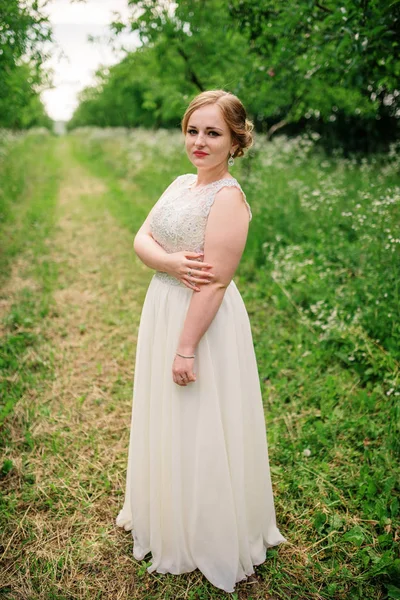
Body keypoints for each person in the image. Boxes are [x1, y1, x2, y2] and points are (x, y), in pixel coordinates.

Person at [116, 89, 287, 593]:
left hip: (201, 323)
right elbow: (141, 239)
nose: (199, 141)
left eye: (213, 133)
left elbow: (214, 281)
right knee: (168, 413)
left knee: (201, 415)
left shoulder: (229, 198)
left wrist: (186, 346)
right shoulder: (177, 184)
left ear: (236, 141)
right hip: (164, 305)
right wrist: (168, 262)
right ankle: (168, 514)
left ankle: (207, 530)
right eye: (193, 130)